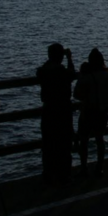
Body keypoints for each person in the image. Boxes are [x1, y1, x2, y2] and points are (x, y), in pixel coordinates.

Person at [74, 48, 108, 177]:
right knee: (100, 139)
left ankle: (84, 167)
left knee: (84, 140)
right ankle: (100, 167)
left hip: (88, 111)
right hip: (103, 111)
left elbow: (77, 94)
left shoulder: (87, 77)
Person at [37, 43, 76, 185]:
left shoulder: (43, 72)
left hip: (48, 111)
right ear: (61, 57)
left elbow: (42, 69)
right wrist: (69, 58)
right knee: (64, 144)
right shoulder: (62, 72)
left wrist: (54, 57)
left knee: (48, 144)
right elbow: (73, 73)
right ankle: (64, 175)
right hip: (63, 111)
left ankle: (47, 174)